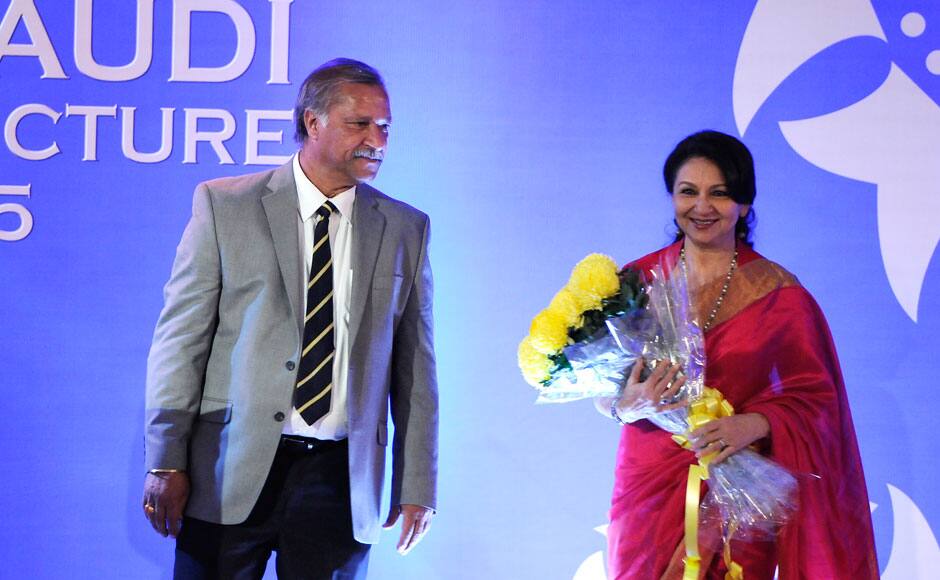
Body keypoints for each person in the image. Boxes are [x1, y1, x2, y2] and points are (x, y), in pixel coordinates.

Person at [142, 58, 438, 579]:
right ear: (312, 121)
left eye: (384, 126)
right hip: (228, 467)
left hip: (342, 481)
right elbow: (181, 341)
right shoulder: (224, 206)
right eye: (359, 124)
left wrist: (417, 486)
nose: (377, 139)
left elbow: (417, 370)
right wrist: (166, 458)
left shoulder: (405, 228)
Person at [595, 131, 878, 578]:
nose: (702, 207)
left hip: (741, 482)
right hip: (648, 481)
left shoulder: (779, 293)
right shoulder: (635, 283)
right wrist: (625, 406)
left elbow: (819, 404)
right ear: (672, 196)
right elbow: (602, 387)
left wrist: (755, 424)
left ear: (744, 204)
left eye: (719, 193)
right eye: (688, 192)